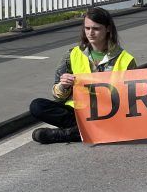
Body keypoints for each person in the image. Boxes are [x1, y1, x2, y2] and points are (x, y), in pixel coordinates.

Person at [29, 7, 137, 144]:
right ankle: (87, 131)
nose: (90, 33)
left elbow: (133, 99)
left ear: (108, 29)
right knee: (37, 106)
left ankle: (66, 134)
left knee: (121, 123)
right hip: (78, 111)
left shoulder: (126, 59)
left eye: (96, 29)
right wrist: (63, 86)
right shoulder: (72, 54)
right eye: (87, 28)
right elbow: (57, 95)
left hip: (109, 114)